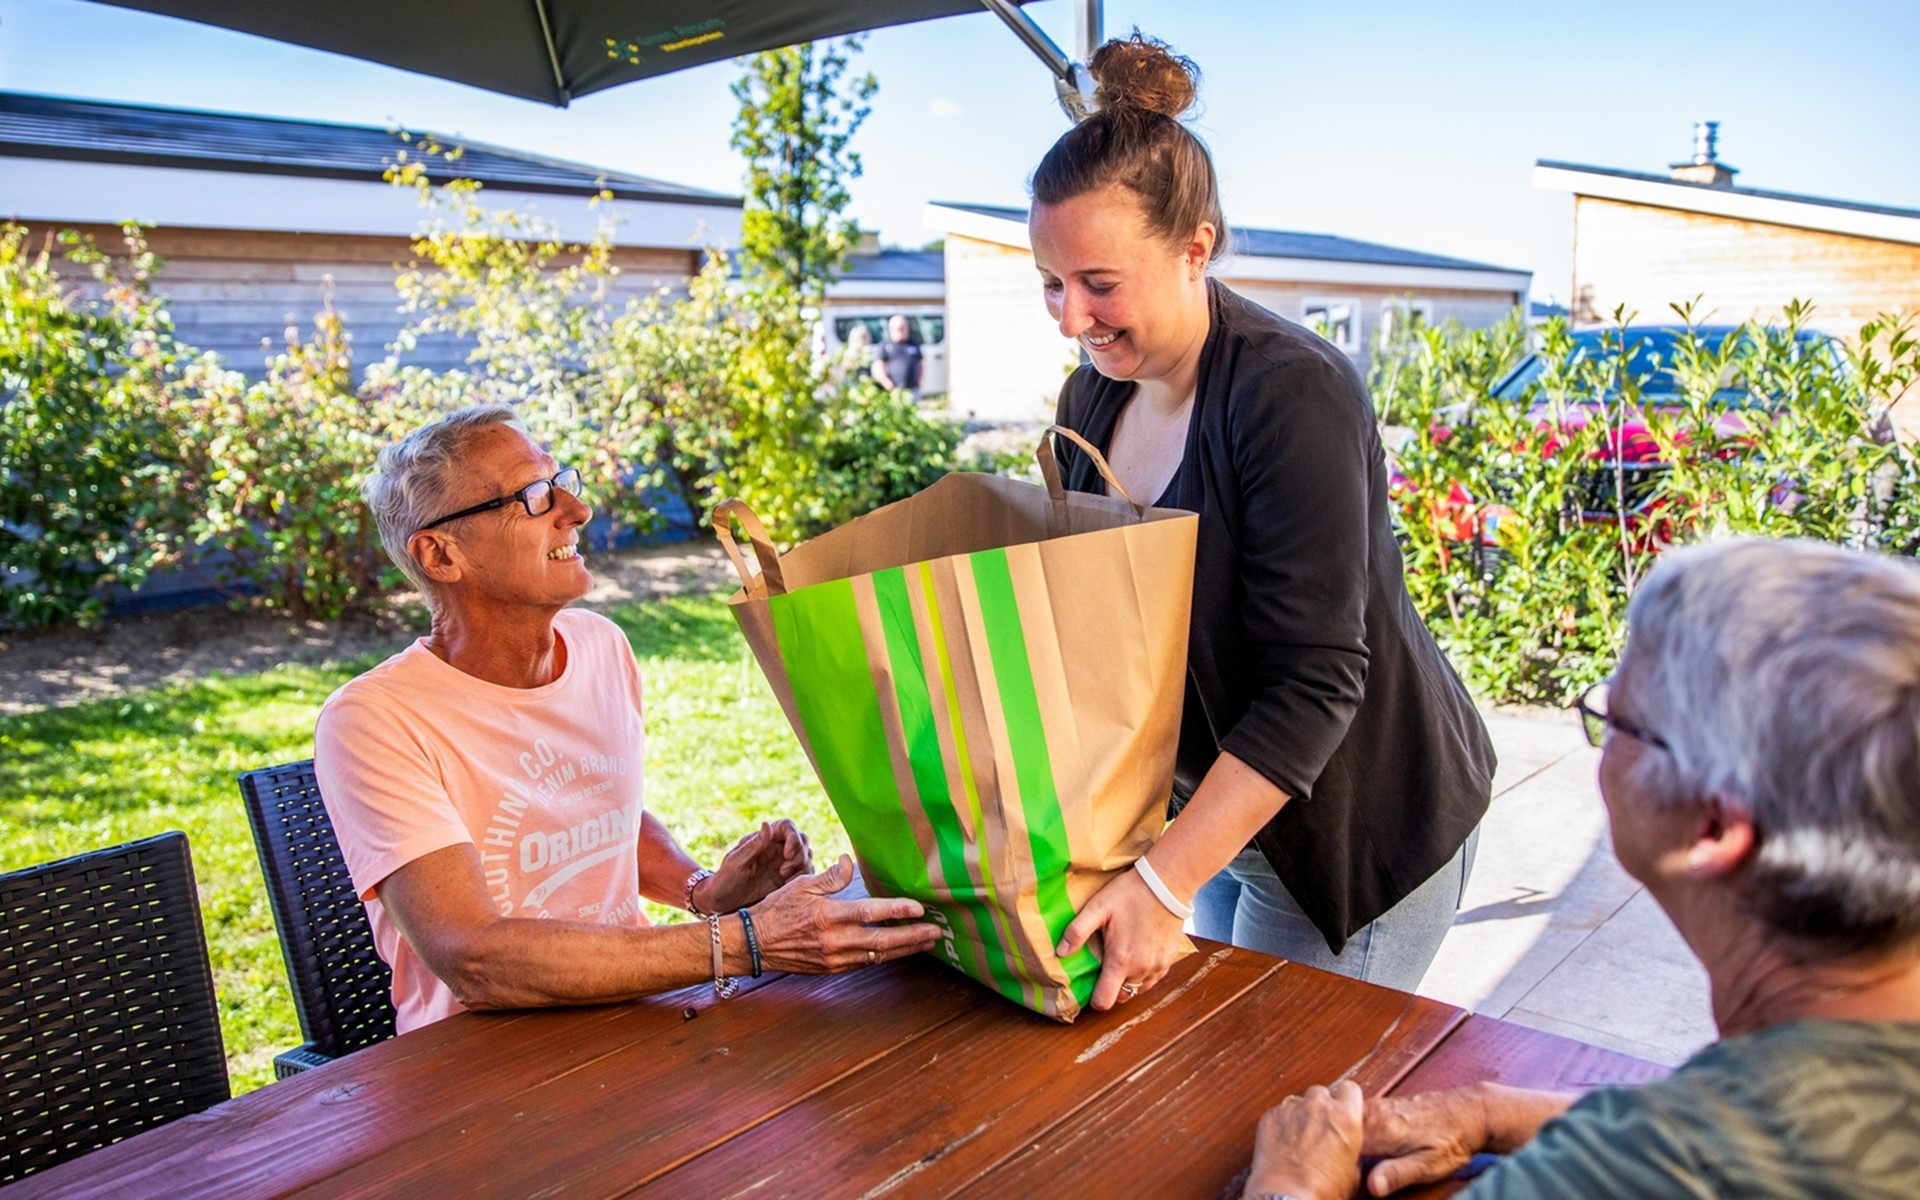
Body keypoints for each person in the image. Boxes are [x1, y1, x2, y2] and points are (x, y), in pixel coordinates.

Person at [1034, 34, 1493, 1009]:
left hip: (1352, 832)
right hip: (1217, 824)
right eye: (1051, 283)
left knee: (1277, 1082)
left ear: (1195, 249)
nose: (1072, 318)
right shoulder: (1092, 399)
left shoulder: (1291, 395)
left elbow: (1316, 680)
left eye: (1100, 284)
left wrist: (1162, 885)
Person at [1244, 537, 1920, 1199]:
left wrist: (1292, 1183)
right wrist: (1494, 1109)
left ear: (1714, 830)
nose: (1603, 744)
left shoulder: (1644, 1171)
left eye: (1618, 723)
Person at [314, 405, 939, 1033]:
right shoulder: (374, 720)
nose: (577, 510)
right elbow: (473, 959)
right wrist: (748, 940)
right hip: (480, 1055)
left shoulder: (599, 647)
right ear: (441, 555)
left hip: (630, 1015)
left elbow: (594, 810)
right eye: (533, 495)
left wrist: (704, 891)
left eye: (561, 481)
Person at [870, 313, 923, 397]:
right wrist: (887, 384)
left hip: (911, 390)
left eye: (904, 328)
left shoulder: (913, 344)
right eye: (899, 329)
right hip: (892, 391)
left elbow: (921, 364)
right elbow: (877, 367)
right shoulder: (885, 345)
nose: (902, 331)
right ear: (891, 330)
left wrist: (918, 382)